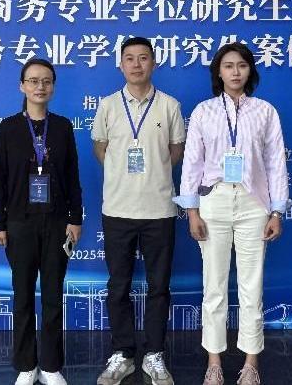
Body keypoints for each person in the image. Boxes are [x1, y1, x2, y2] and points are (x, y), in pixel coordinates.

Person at [173, 42, 289, 385]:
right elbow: (192, 163)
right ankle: (214, 362)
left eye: (241, 65)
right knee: (214, 286)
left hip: (254, 204)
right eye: (228, 66)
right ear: (218, 73)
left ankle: (251, 363)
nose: (235, 72)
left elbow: (275, 163)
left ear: (250, 70)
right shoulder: (204, 111)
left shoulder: (265, 111)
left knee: (252, 285)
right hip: (215, 202)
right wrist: (192, 211)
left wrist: (277, 211)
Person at [92, 37, 186, 385]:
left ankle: (154, 354)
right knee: (118, 285)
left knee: (159, 287)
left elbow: (176, 152)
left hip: (159, 209)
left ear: (153, 63)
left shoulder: (169, 105)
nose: (136, 64)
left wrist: (152, 175)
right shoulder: (107, 105)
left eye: (143, 58)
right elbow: (100, 148)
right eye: (129, 58)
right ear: (120, 65)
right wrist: (124, 175)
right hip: (117, 209)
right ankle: (123, 354)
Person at [0, 58, 83, 385]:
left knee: (54, 296)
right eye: (33, 81)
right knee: (23, 296)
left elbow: (72, 177)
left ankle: (52, 366)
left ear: (53, 87)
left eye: (46, 81)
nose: (40, 87)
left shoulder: (62, 127)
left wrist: (75, 218)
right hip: (19, 223)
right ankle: (26, 365)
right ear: (22, 86)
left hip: (57, 223)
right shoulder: (9, 128)